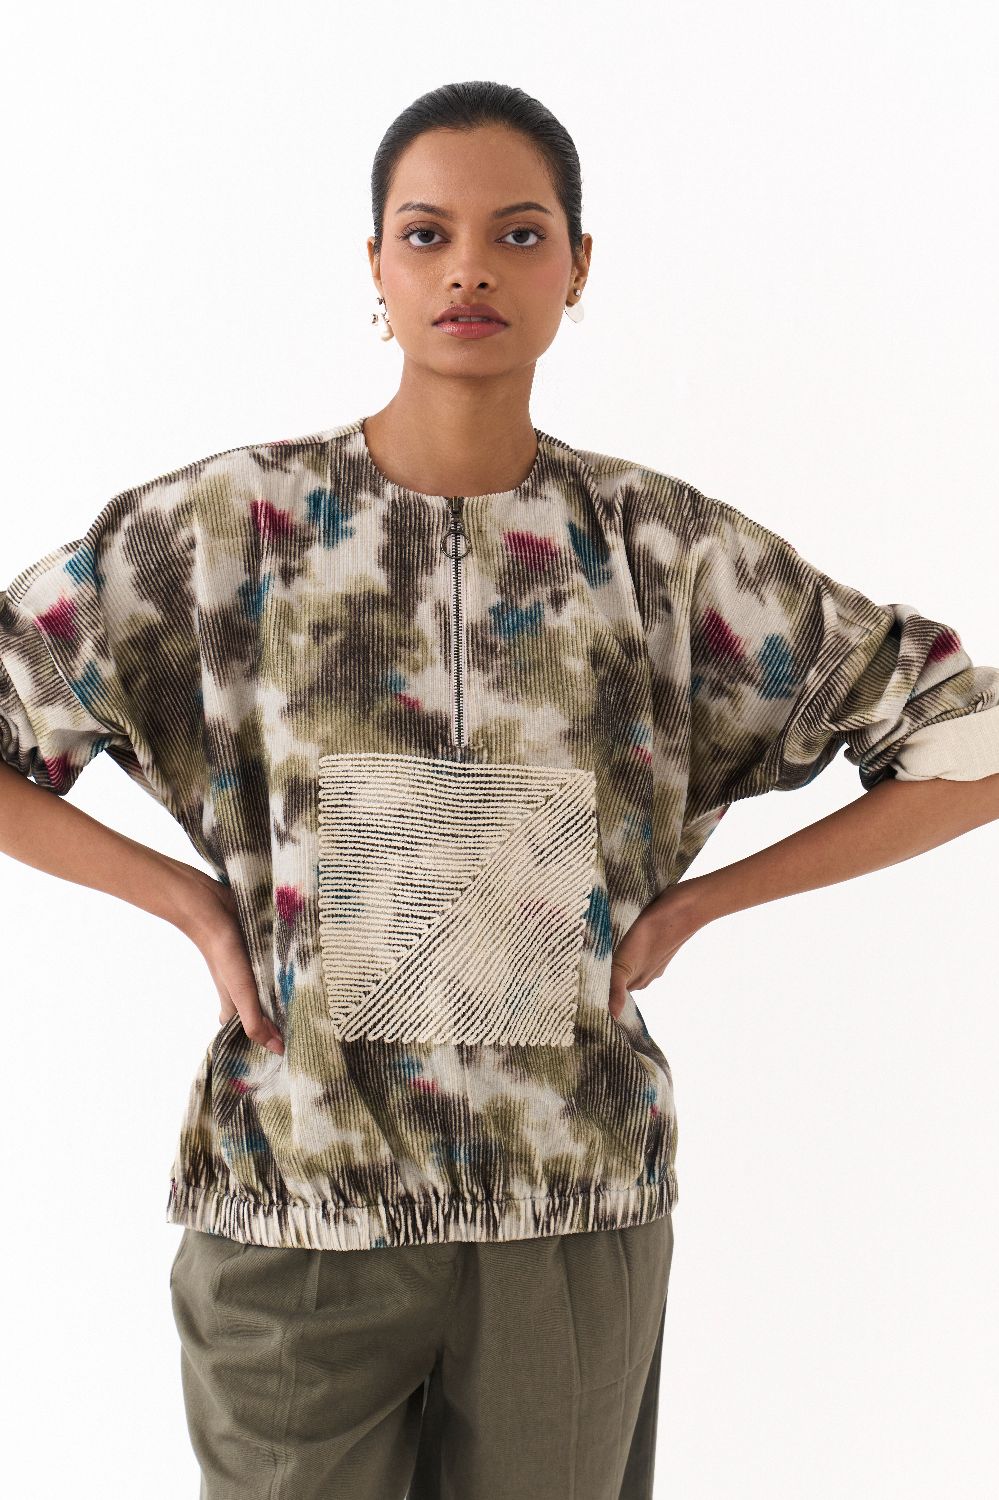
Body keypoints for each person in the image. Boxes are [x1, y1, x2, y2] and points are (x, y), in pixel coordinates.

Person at [3, 79, 999, 1500]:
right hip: (298, 1207)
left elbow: (969, 738)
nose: (469, 268)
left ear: (577, 267)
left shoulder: (663, 554)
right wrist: (186, 902)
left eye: (519, 234)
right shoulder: (224, 533)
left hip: (567, 1211)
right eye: (427, 233)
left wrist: (698, 908)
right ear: (376, 265)